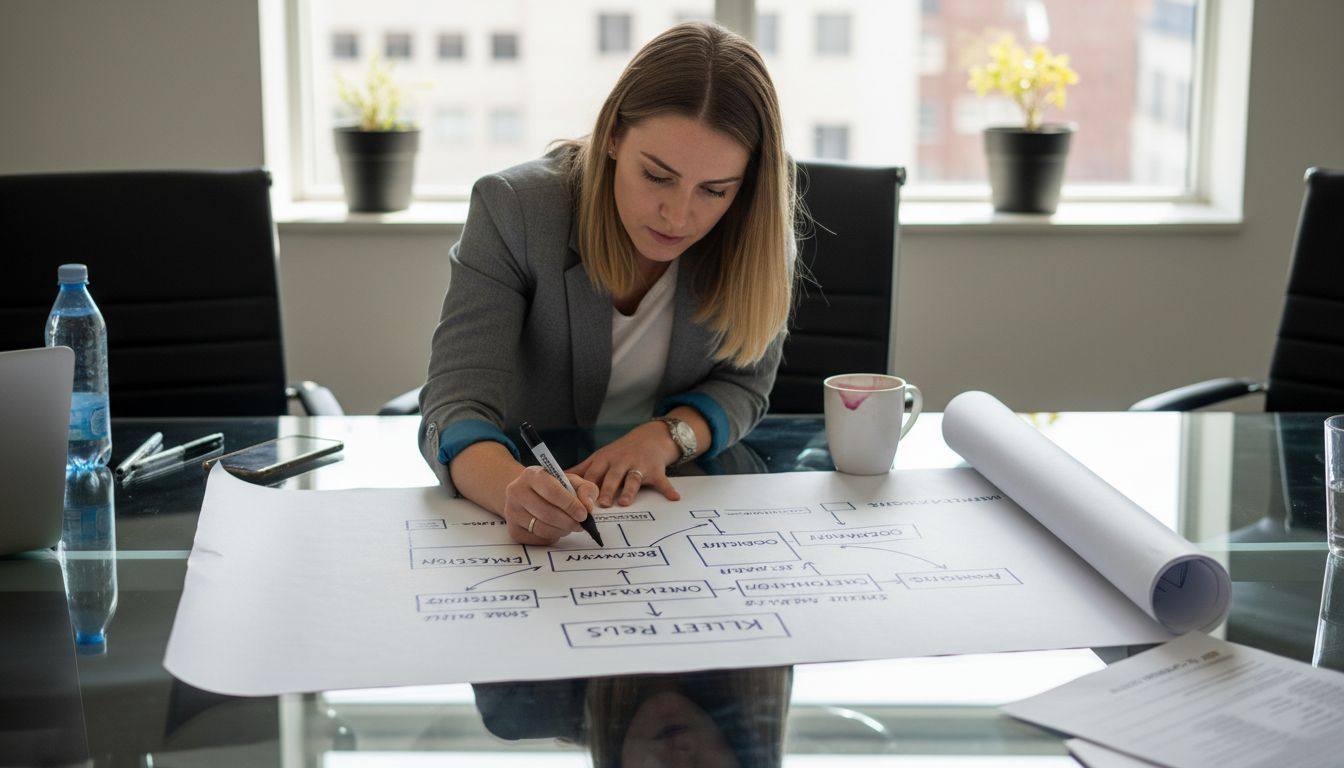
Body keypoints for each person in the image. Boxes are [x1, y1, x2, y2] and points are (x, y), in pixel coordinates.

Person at [418, 21, 797, 545]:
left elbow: (744, 384)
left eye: (714, 190)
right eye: (657, 176)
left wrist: (663, 440)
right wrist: (513, 489)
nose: (678, 215)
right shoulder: (516, 210)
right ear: (614, 135)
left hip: (674, 514)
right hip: (527, 494)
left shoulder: (752, 228)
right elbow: (455, 404)